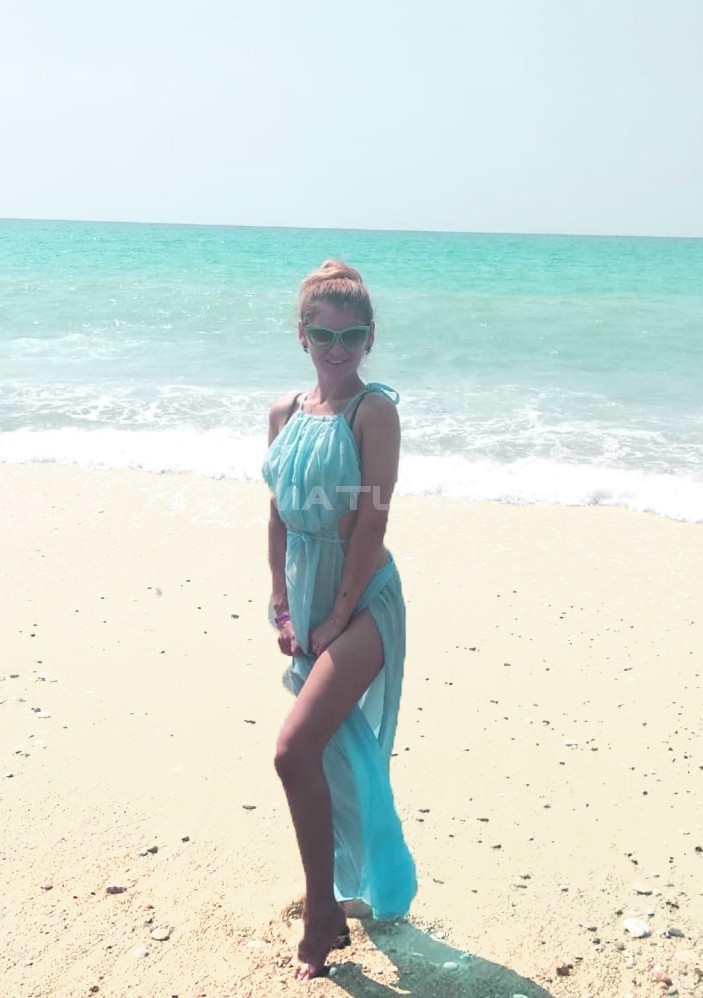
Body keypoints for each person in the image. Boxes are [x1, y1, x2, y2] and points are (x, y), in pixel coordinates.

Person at [262, 260, 417, 980]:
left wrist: (338, 615)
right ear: (302, 335)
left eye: (352, 335)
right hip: (307, 600)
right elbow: (277, 514)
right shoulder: (284, 413)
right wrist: (282, 604)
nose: (337, 348)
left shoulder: (372, 412)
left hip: (363, 603)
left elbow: (371, 523)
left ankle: (322, 909)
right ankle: (348, 890)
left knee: (294, 751)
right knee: (329, 756)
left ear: (370, 338)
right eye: (323, 334)